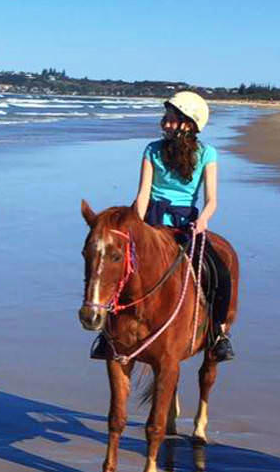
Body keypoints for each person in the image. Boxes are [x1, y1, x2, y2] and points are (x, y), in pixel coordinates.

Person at [90, 91, 234, 361]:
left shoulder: (208, 154)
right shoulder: (152, 150)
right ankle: (107, 335)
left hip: (186, 226)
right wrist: (135, 224)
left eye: (171, 119)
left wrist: (203, 220)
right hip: (152, 223)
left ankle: (217, 335)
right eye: (165, 118)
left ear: (189, 124)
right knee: (117, 269)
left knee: (220, 275)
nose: (165, 124)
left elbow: (212, 199)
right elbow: (144, 194)